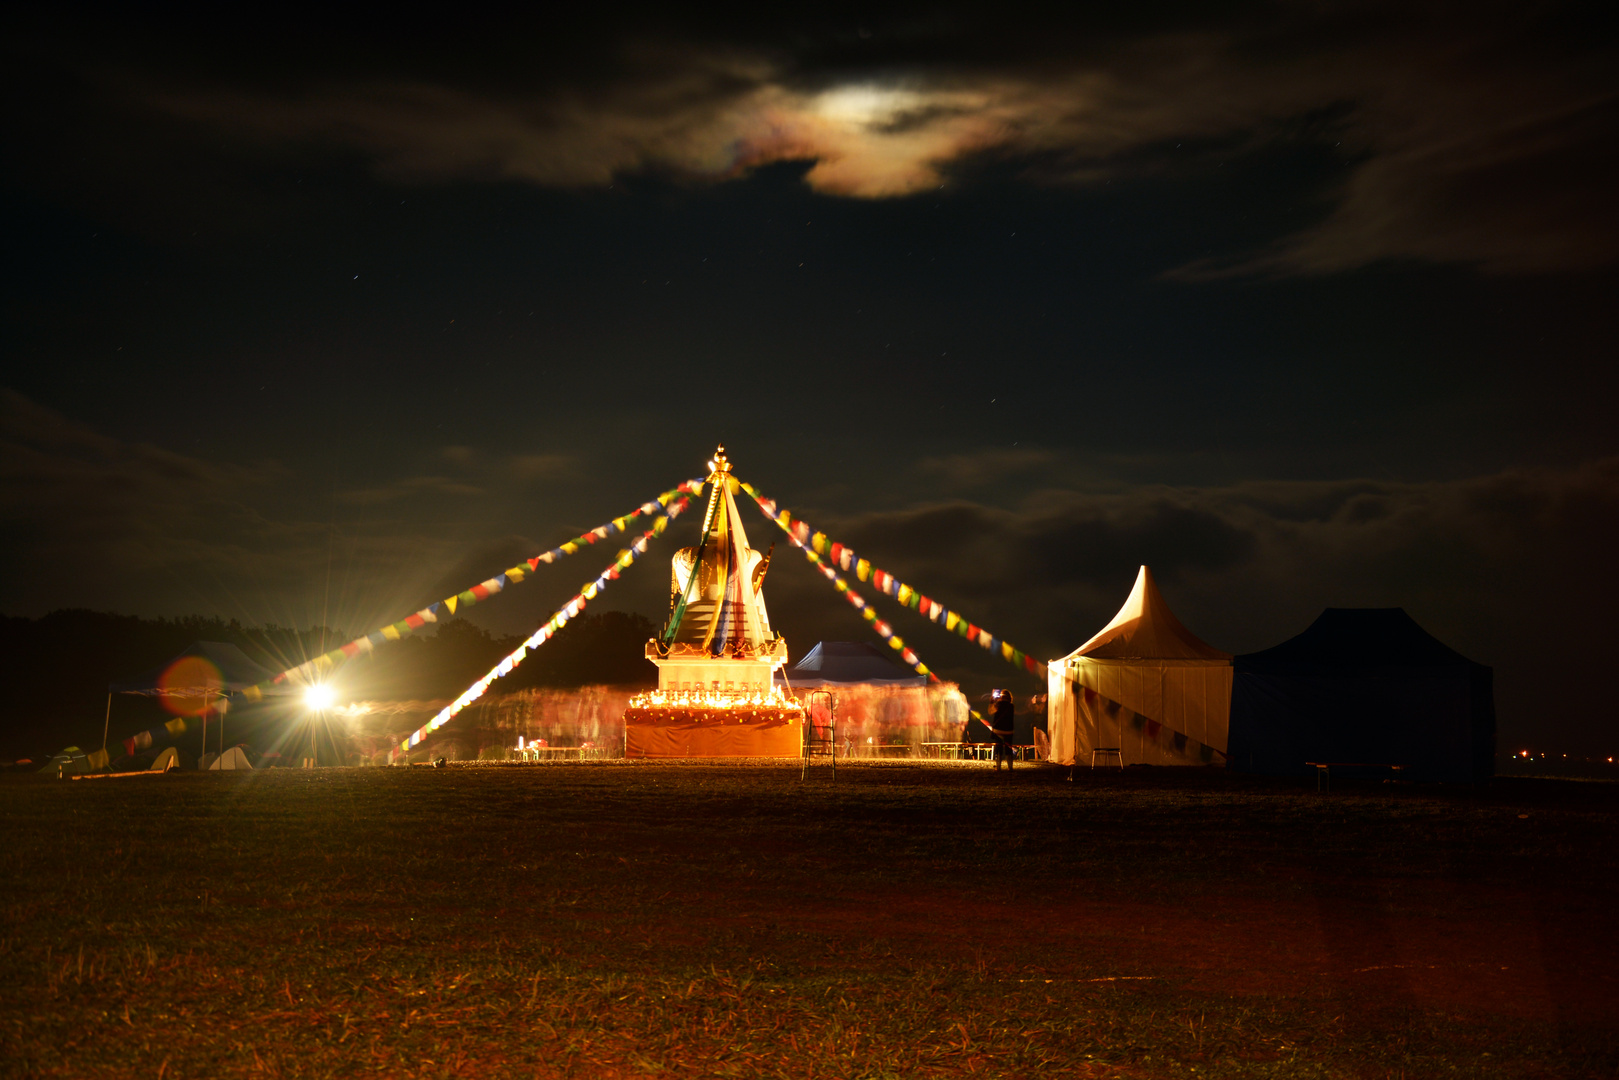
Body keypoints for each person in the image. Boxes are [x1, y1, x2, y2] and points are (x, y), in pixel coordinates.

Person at [989, 689, 1016, 771]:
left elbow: (990, 711)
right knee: (1008, 748)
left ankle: (998, 767)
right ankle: (1010, 767)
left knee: (999, 748)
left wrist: (992, 701)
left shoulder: (997, 704)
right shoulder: (1011, 706)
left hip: (998, 730)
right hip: (1009, 730)